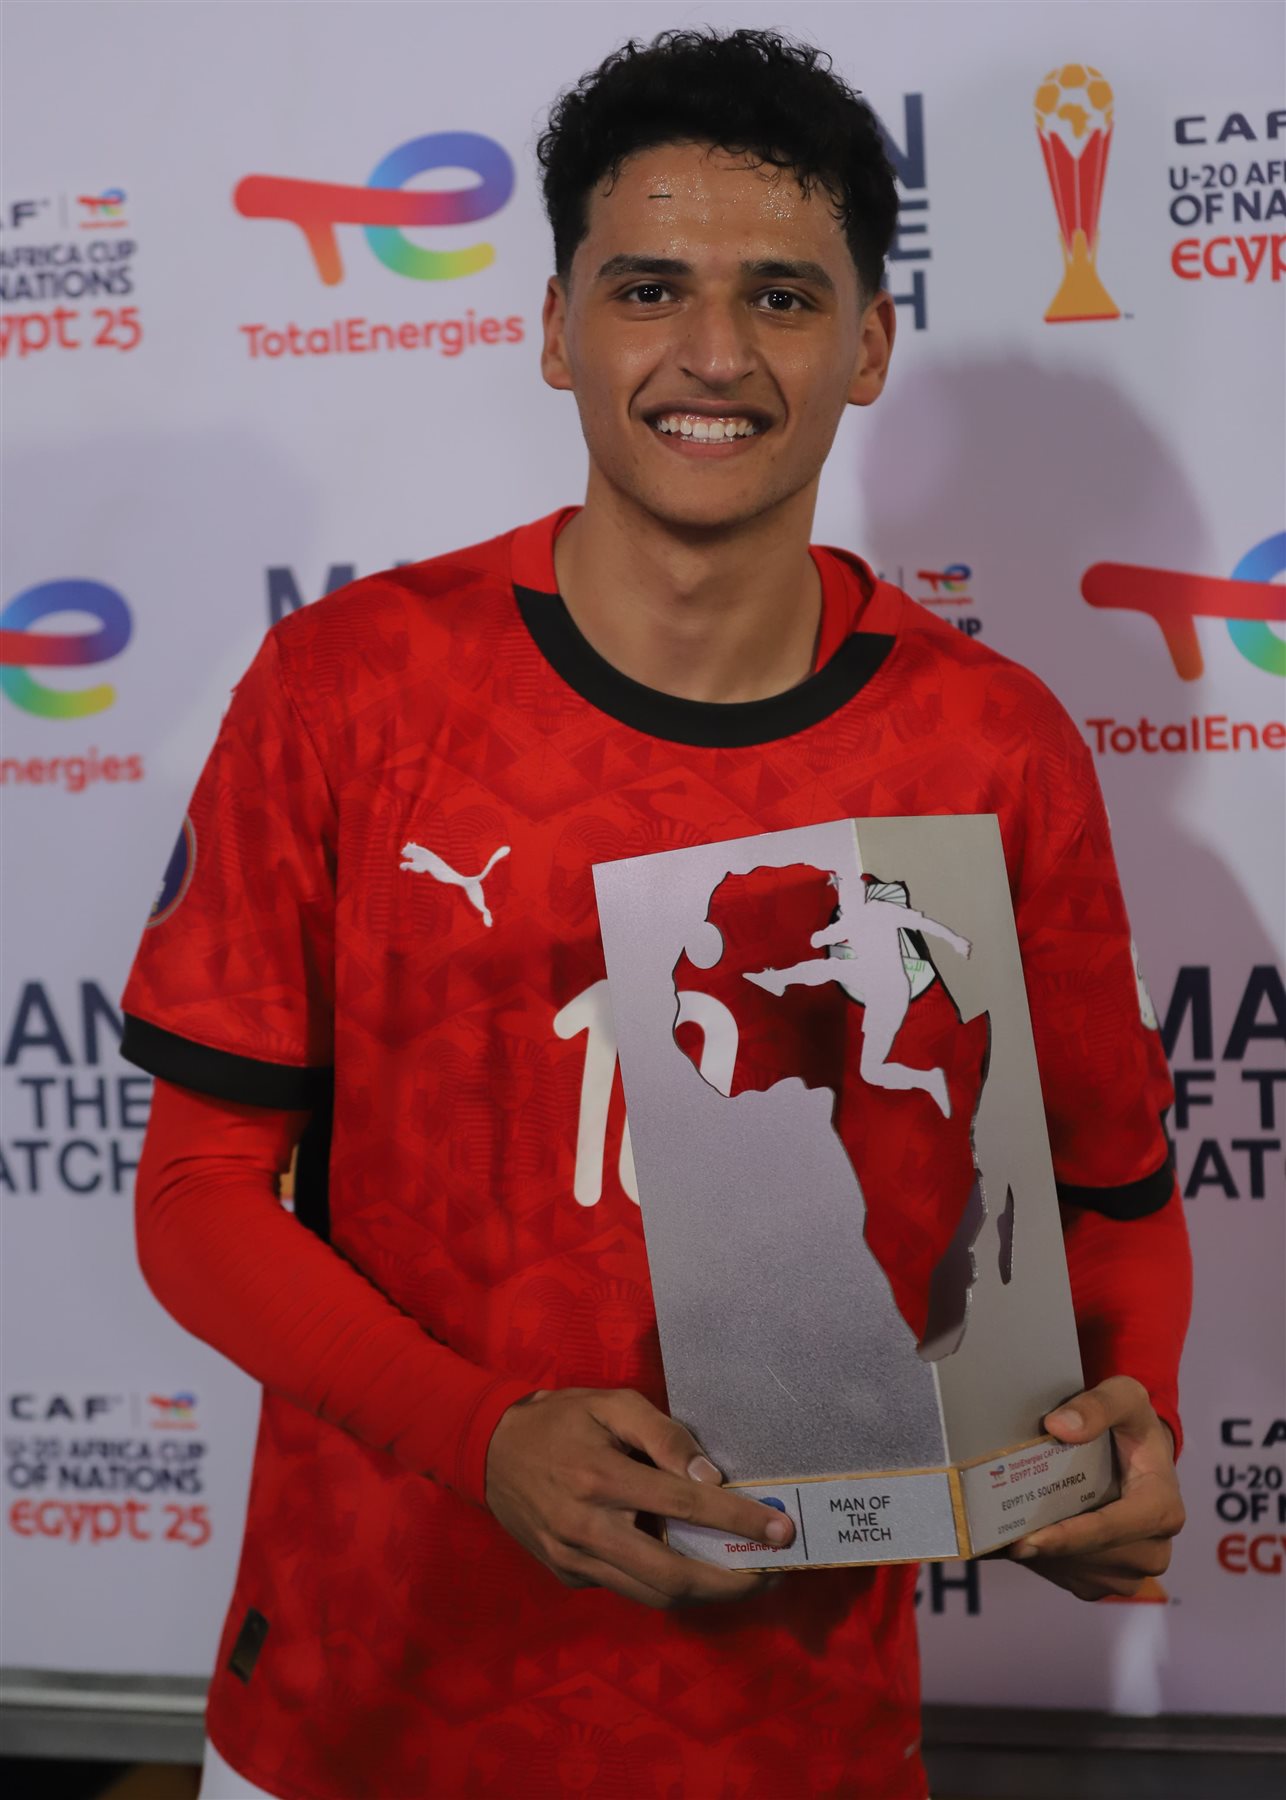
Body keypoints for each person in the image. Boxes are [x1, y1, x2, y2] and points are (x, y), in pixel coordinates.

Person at [121, 29, 1190, 1800]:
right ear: (556, 328)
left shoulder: (987, 746)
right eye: (648, 289)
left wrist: (1117, 1429)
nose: (713, 353)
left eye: (780, 296)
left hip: (794, 1737)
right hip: (365, 1713)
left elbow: (1113, 1204)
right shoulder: (348, 689)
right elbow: (195, 1198)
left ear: (866, 346)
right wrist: (478, 1435)